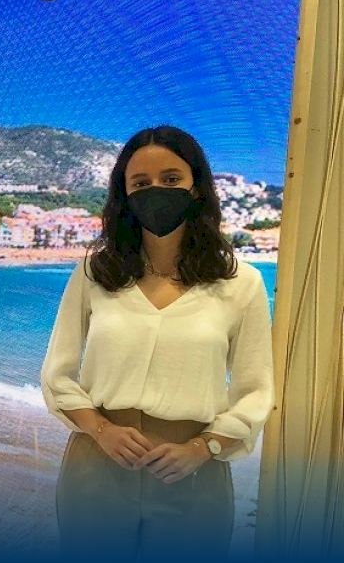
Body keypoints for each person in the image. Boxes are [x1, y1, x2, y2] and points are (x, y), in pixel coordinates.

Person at [40, 126, 274, 558]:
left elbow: (255, 391)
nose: (156, 192)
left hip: (193, 474)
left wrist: (202, 448)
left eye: (171, 179)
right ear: (125, 196)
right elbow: (57, 376)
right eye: (141, 183)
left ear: (196, 187)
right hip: (98, 465)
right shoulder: (95, 274)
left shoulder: (242, 284)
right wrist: (102, 430)